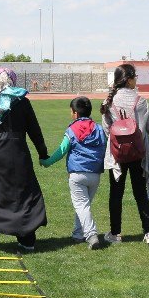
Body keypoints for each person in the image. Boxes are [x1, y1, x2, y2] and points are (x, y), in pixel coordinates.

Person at [0, 68, 48, 250]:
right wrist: (42, 154)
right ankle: (26, 238)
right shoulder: (22, 102)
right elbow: (35, 132)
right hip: (18, 153)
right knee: (23, 194)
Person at [100, 63, 149, 246]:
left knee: (116, 194)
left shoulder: (109, 101)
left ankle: (115, 233)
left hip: (117, 155)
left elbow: (107, 129)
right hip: (138, 153)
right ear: (130, 79)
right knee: (140, 193)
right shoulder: (141, 100)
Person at [40, 96, 106, 250]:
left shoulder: (72, 130)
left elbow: (62, 150)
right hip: (95, 174)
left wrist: (47, 162)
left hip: (77, 174)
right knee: (83, 205)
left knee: (82, 205)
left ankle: (91, 235)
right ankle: (78, 234)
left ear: (75, 113)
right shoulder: (99, 129)